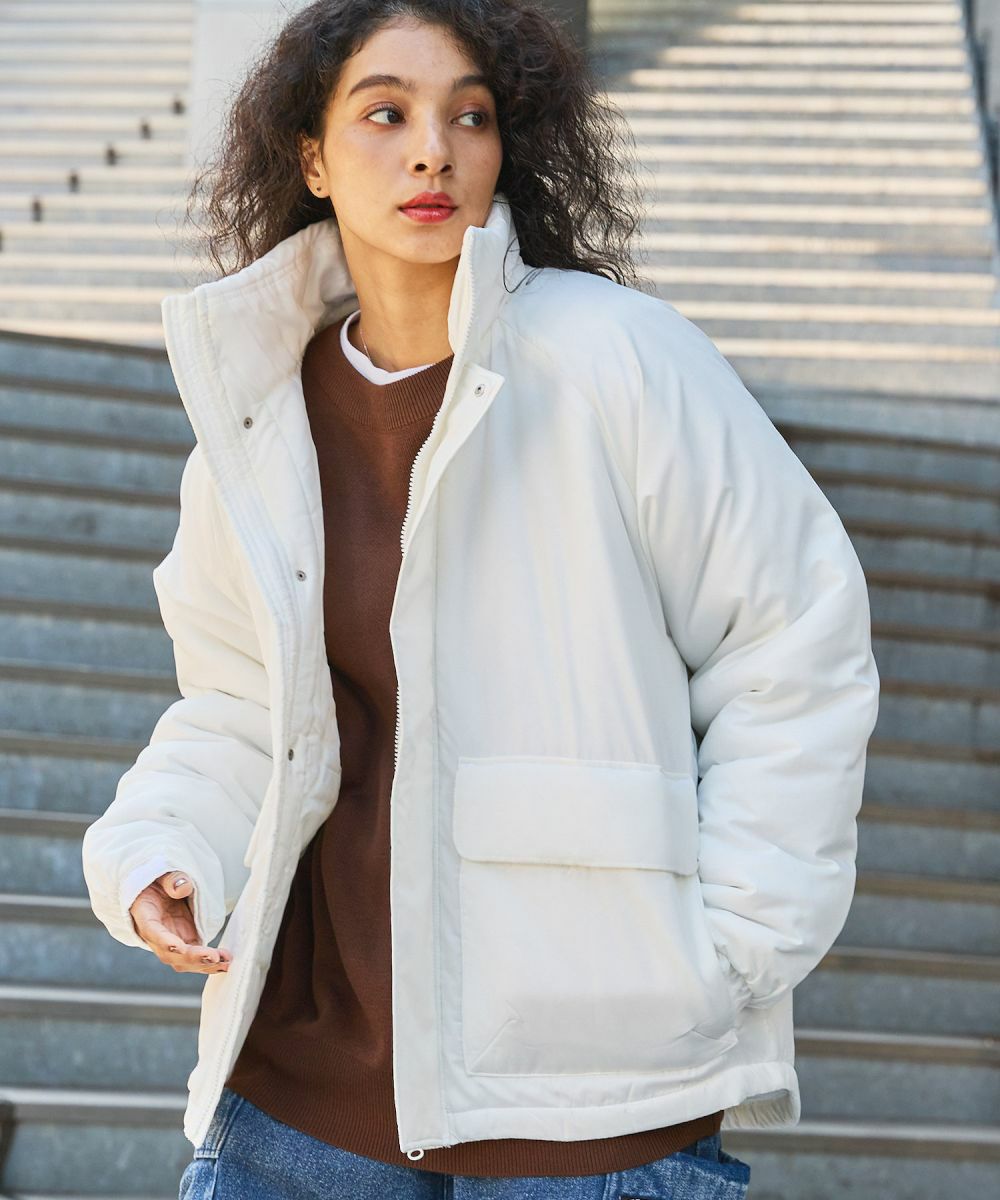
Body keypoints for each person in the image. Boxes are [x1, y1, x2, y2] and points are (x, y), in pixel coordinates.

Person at [80, 1, 881, 1197]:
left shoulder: (616, 360)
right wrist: (163, 846)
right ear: (310, 157)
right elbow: (242, 709)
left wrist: (733, 951)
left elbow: (792, 642)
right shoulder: (256, 427)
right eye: (384, 114)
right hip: (297, 1100)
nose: (432, 151)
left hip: (591, 1103)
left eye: (470, 116)